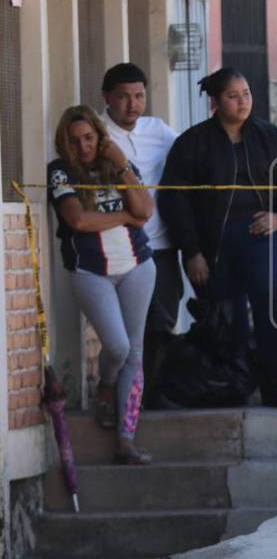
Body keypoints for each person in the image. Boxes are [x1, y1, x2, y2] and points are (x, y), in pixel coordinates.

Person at [159, 68, 277, 408]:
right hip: (212, 245)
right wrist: (191, 251)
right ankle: (235, 383)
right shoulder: (192, 143)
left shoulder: (273, 137)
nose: (242, 101)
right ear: (215, 102)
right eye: (233, 96)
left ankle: (274, 382)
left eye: (246, 93)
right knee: (226, 317)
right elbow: (174, 200)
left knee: (272, 297)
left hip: (265, 237)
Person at [48, 106, 155, 464]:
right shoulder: (60, 171)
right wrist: (125, 216)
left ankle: (126, 441)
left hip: (138, 266)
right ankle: (106, 383)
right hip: (91, 270)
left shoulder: (117, 165)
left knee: (135, 352)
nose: (83, 146)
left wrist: (122, 163)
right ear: (64, 143)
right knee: (118, 346)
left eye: (89, 138)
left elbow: (146, 210)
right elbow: (78, 219)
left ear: (100, 136)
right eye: (74, 141)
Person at [100, 63, 181, 406]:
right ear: (107, 97)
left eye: (139, 96)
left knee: (162, 321)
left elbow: (190, 158)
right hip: (119, 249)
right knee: (124, 331)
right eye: (123, 97)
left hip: (160, 245)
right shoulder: (96, 136)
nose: (132, 105)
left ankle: (151, 396)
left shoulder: (159, 130)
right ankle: (117, 396)